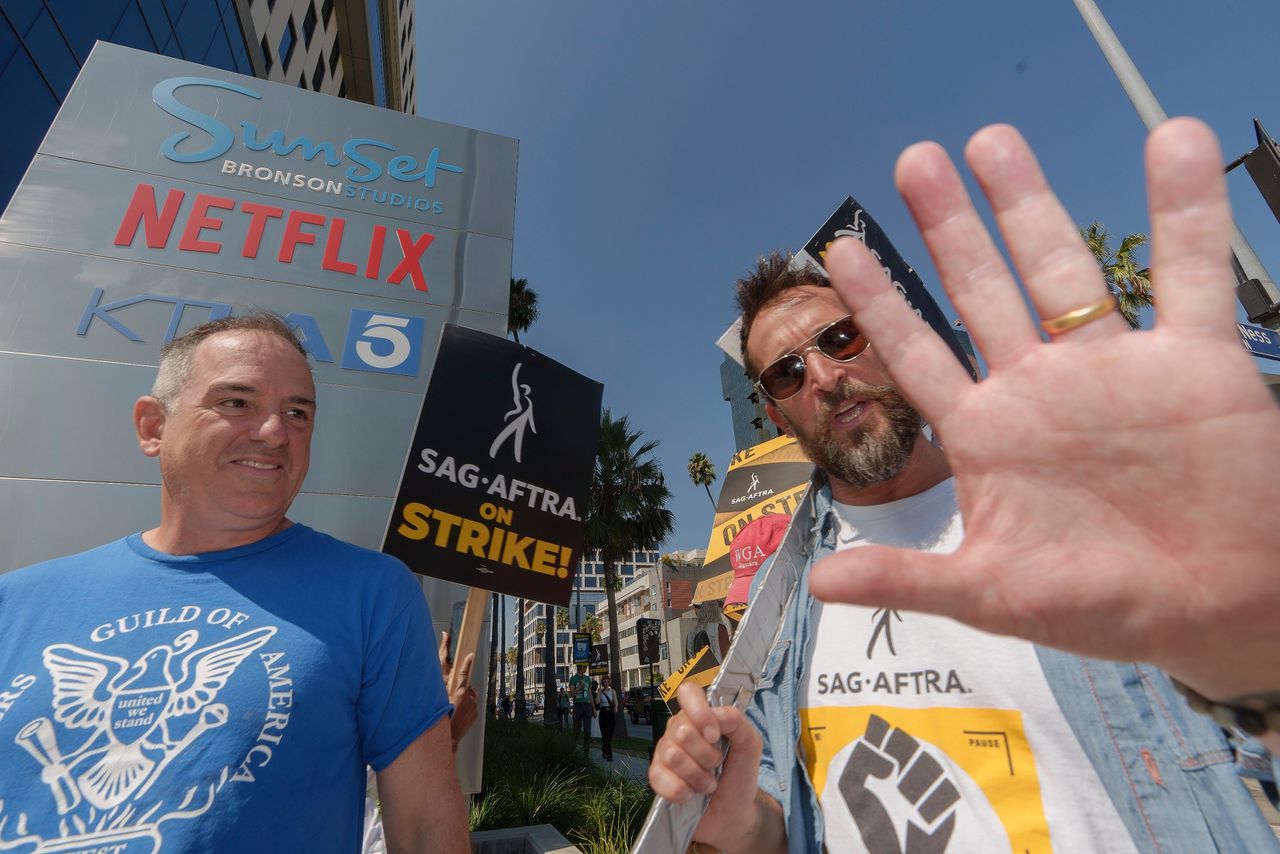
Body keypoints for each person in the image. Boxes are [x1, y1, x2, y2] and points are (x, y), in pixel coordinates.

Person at [649, 119, 1280, 853]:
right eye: (787, 373)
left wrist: (1256, 661)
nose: (824, 376)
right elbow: (773, 825)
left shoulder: (1078, 514)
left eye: (842, 338)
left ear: (887, 333)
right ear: (775, 412)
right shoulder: (781, 607)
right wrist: (730, 822)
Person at [0, 315, 469, 853]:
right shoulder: (16, 602)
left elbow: (425, 826)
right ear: (154, 426)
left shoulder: (371, 594)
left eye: (297, 413)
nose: (274, 432)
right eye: (236, 402)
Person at [568, 663, 595, 754]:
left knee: (587, 731)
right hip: (578, 705)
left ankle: (586, 753)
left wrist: (593, 708)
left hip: (587, 706)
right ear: (580, 667)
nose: (586, 668)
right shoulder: (573, 679)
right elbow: (572, 694)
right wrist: (579, 686)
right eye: (585, 667)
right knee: (577, 730)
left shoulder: (587, 679)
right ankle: (572, 749)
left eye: (587, 667)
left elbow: (590, 694)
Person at [596, 676, 619, 761]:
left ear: (609, 682)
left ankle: (604, 748)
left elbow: (616, 701)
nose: (606, 683)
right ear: (602, 683)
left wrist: (616, 707)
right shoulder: (600, 692)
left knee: (610, 734)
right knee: (605, 734)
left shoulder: (612, 691)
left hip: (610, 713)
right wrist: (598, 692)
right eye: (604, 682)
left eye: (607, 681)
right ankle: (609, 755)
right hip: (603, 713)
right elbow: (597, 702)